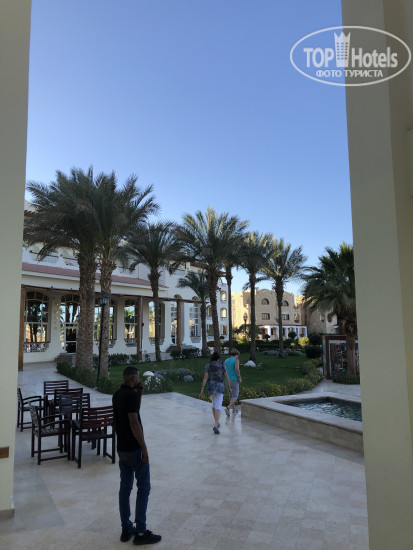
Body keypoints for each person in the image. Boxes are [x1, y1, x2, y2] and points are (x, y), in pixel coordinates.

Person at [112, 366, 161, 545]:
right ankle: (140, 532)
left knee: (125, 489)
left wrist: (139, 393)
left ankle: (126, 529)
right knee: (143, 488)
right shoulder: (130, 395)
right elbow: (134, 422)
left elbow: (134, 411)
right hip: (134, 449)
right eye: (137, 379)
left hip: (122, 449)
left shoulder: (117, 395)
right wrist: (144, 448)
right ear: (133, 379)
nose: (138, 381)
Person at [200, 351, 232, 434]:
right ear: (219, 358)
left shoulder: (208, 365)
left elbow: (205, 377)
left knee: (214, 404)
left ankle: (216, 422)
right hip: (219, 386)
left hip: (211, 386)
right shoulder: (222, 364)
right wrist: (229, 386)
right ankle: (215, 425)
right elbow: (226, 376)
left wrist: (202, 389)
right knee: (218, 405)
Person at [224, 349, 242, 415]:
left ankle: (234, 409)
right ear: (236, 354)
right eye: (238, 355)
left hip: (227, 379)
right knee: (235, 395)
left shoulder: (226, 360)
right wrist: (239, 377)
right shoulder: (236, 360)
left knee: (231, 395)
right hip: (234, 379)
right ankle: (228, 407)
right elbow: (237, 369)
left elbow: (224, 370)